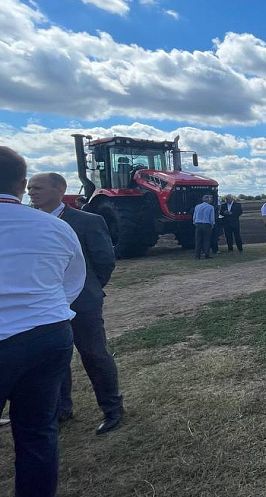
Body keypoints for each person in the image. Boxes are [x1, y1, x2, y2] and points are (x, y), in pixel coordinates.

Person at [0, 146, 85, 496]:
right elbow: (72, 281)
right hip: (48, 335)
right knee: (38, 432)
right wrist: (44, 310)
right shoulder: (55, 227)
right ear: (21, 185)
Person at [27, 173, 123, 435]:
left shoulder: (86, 221)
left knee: (93, 353)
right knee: (54, 357)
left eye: (37, 187)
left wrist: (88, 289)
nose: (31, 192)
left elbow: (104, 261)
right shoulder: (30, 223)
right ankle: (61, 409)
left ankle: (112, 408)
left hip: (82, 302)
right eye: (28, 188)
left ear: (60, 189)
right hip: (46, 303)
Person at [193, 194, 215, 259]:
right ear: (208, 200)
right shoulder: (211, 207)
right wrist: (212, 224)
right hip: (206, 225)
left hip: (198, 224)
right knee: (206, 240)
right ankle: (206, 254)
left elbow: (194, 216)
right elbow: (211, 218)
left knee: (198, 241)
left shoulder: (197, 206)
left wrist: (195, 223)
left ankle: (197, 255)